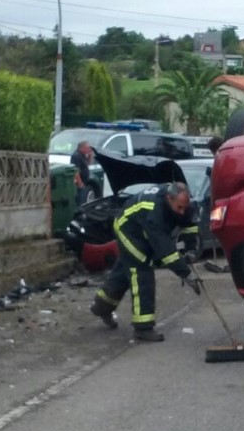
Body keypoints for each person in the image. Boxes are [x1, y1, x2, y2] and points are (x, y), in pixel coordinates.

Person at [89, 182, 200, 342]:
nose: (182, 212)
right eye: (179, 208)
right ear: (169, 199)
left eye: (184, 207)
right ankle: (143, 328)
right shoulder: (154, 212)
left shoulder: (181, 203)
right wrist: (186, 274)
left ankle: (101, 306)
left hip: (141, 228)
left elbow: (189, 225)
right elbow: (166, 252)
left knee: (123, 271)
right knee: (141, 271)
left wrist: (191, 249)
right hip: (128, 229)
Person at [70, 140, 95, 205]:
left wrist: (90, 156)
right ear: (82, 148)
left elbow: (87, 164)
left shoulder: (82, 155)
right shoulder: (76, 155)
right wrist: (80, 183)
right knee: (81, 200)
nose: (89, 149)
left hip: (85, 181)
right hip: (80, 182)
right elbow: (76, 170)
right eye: (87, 148)